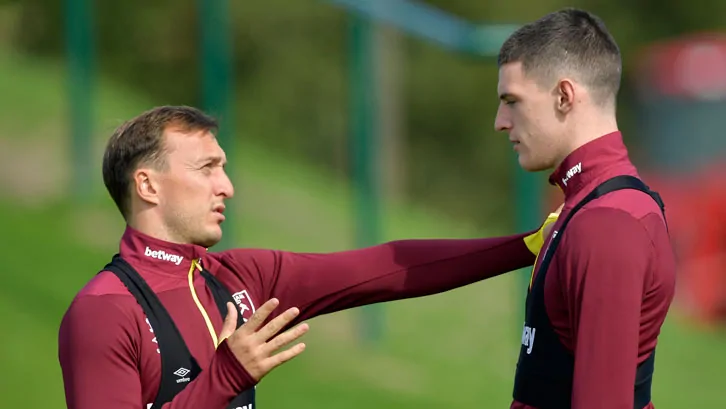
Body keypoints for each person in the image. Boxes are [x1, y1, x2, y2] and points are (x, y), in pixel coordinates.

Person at [57, 105, 560, 409]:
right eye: (206, 168)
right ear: (147, 185)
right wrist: (227, 376)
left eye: (223, 168)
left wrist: (526, 245)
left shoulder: (239, 277)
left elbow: (382, 269)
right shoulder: (105, 311)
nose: (226, 186)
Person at [494, 7, 677, 409]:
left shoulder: (608, 223)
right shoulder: (587, 206)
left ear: (564, 96)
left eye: (512, 101)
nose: (500, 122)